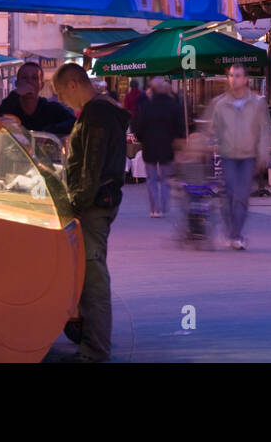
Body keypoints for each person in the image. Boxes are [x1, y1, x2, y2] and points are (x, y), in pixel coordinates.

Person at [52, 62, 129, 363]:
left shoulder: (97, 114)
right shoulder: (101, 110)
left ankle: (95, 351)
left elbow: (90, 168)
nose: (61, 100)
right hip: (99, 203)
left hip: (94, 206)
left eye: (61, 93)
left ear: (73, 84)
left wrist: (75, 205)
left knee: (93, 278)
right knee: (90, 275)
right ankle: (91, 342)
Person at [208, 64, 271, 251]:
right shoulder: (220, 104)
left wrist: (263, 153)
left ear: (245, 80)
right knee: (228, 195)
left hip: (248, 156)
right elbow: (214, 128)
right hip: (227, 155)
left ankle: (236, 235)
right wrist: (211, 143)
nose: (233, 79)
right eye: (231, 75)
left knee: (242, 196)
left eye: (237, 75)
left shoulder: (257, 103)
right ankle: (230, 231)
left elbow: (265, 129)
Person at [132, 76, 184, 217]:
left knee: (152, 179)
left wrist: (142, 140)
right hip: (167, 147)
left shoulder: (146, 106)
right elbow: (179, 128)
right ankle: (164, 206)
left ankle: (155, 209)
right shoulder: (173, 106)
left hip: (149, 147)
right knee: (165, 179)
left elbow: (138, 127)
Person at [0, 62, 76, 135]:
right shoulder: (11, 108)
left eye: (34, 78)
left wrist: (48, 131)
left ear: (41, 85)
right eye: (24, 78)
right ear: (17, 84)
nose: (29, 81)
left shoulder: (51, 109)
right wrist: (16, 93)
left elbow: (74, 123)